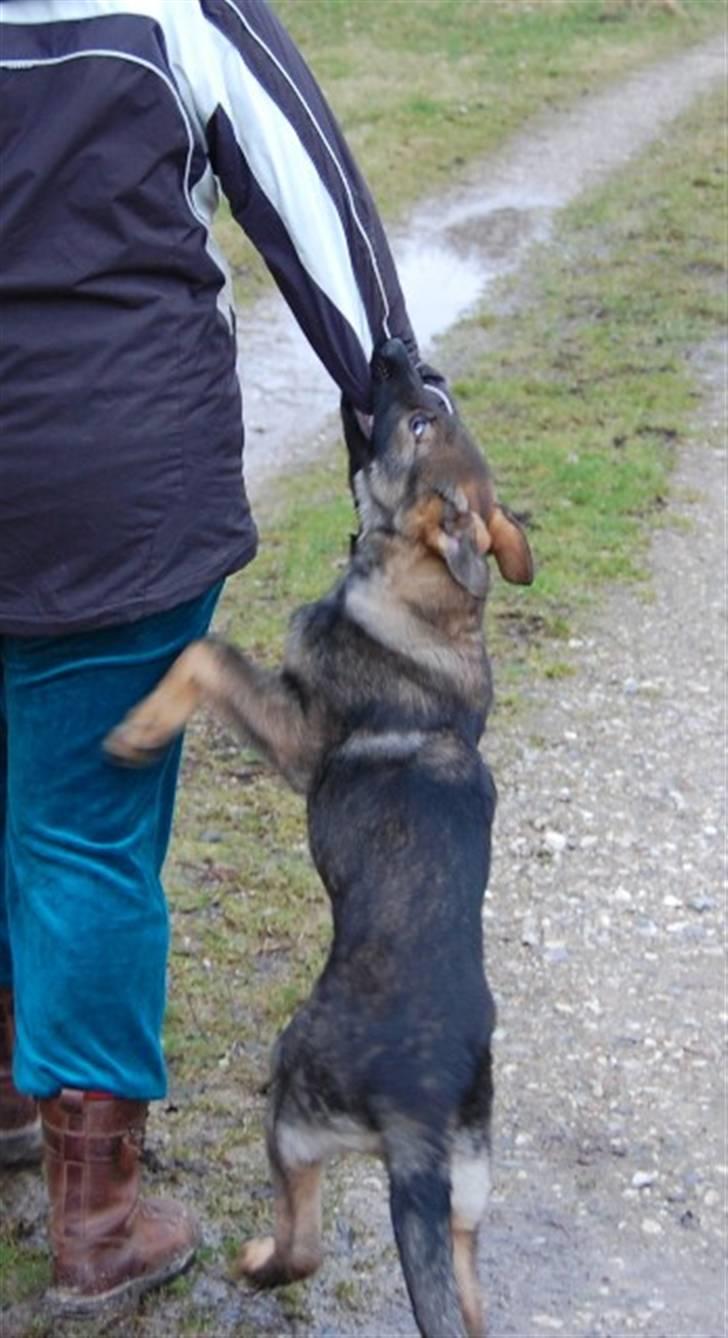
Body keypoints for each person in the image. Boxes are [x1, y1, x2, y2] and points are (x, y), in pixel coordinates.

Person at [0, 0, 448, 1316]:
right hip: (115, 476)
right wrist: (397, 405)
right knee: (85, 820)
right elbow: (308, 198)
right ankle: (96, 1213)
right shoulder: (170, 12)